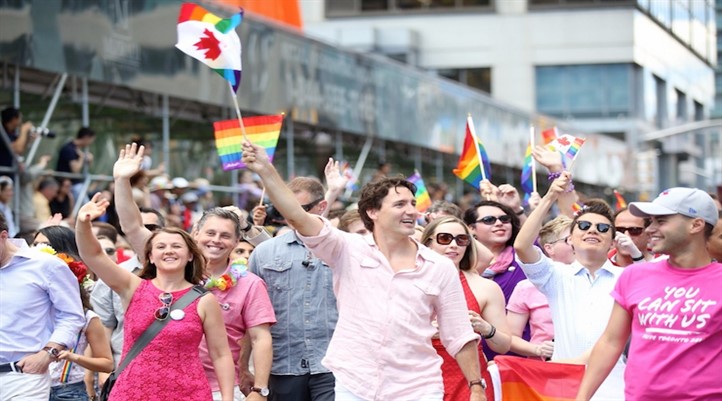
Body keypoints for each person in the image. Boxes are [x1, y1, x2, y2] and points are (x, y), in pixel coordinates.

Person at [241, 141, 486, 401]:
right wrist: (266, 170)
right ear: (372, 211)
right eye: (400, 204)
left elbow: (459, 334)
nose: (412, 211)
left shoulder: (440, 267)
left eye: (413, 204)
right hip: (354, 384)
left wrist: (476, 386)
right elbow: (299, 217)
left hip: (418, 388)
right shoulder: (347, 248)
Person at [112, 143, 275, 401]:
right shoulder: (170, 264)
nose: (216, 241)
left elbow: (261, 337)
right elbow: (132, 225)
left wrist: (259, 391)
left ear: (236, 243)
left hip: (220, 389)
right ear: (195, 234)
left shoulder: (249, 283)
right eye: (209, 233)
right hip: (155, 387)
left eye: (225, 236)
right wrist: (122, 181)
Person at [75, 195, 235, 400]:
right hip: (132, 392)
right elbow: (94, 255)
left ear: (190, 255)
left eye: (176, 246)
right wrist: (83, 222)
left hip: (187, 393)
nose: (169, 251)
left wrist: (228, 398)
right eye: (161, 247)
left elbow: (221, 355)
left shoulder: (204, 300)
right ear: (150, 256)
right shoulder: (132, 287)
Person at [576, 188, 722, 401]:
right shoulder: (634, 275)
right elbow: (610, 342)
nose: (650, 229)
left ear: (696, 225)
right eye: (650, 222)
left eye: (661, 221)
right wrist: (581, 398)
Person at [514, 172, 625, 401]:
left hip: (616, 387)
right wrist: (550, 196)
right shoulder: (555, 276)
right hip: (563, 386)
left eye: (603, 228)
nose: (593, 231)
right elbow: (522, 246)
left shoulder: (628, 278)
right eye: (584, 226)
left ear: (613, 241)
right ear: (571, 239)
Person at [247, 177, 338, 401]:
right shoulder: (264, 252)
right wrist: (244, 368)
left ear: (322, 206)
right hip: (283, 365)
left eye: (301, 209)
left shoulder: (343, 248)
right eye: (285, 208)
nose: (292, 215)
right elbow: (251, 316)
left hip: (334, 364)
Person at [421, 216, 511, 401]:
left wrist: (486, 329)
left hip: (470, 379)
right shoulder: (408, 280)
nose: (454, 245)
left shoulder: (484, 287)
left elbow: (503, 345)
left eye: (461, 240)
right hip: (420, 377)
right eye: (445, 238)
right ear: (428, 243)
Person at [0, 213, 85, 400]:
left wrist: (48, 353)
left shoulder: (45, 264)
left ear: (4, 236)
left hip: (24, 377)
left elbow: (72, 315)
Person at [31, 225, 114, 401]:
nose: (37, 251)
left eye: (44, 245)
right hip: (29, 386)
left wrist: (72, 357)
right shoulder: (26, 310)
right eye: (34, 244)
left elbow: (106, 363)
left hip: (68, 392)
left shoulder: (86, 317)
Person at [506, 215, 573, 359]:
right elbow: (510, 337)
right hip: (543, 369)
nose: (576, 244)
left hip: (587, 366)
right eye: (569, 239)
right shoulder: (526, 287)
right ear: (549, 248)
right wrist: (538, 349)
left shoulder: (596, 278)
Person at [55, 127, 96, 203]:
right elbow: (75, 170)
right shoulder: (69, 149)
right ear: (86, 137)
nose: (91, 143)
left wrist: (89, 161)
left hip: (76, 183)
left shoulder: (78, 149)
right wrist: (81, 158)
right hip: (68, 183)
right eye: (91, 140)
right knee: (85, 203)